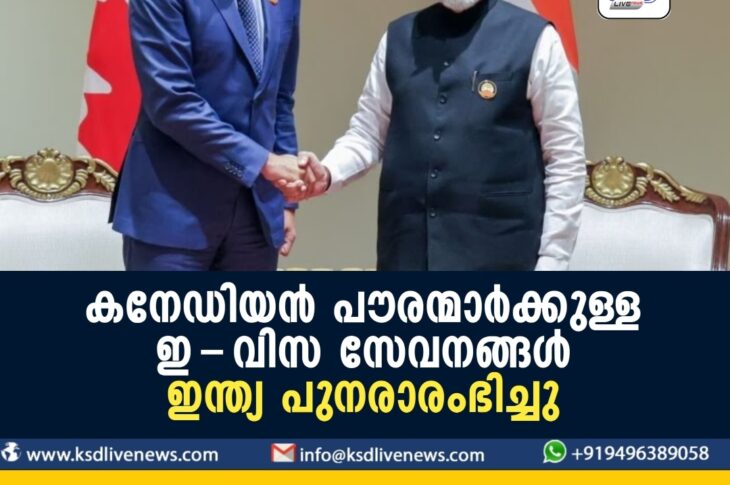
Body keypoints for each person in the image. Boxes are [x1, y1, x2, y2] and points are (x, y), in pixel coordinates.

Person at [282, 0, 586, 271]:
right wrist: (328, 172)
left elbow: (565, 157)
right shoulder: (398, 38)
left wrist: (554, 259)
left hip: (502, 258)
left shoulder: (536, 39)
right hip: (407, 256)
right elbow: (367, 133)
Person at [111, 0, 306, 271]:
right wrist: (263, 162)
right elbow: (172, 102)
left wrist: (286, 199)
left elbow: (280, 98)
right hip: (174, 213)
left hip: (257, 217)